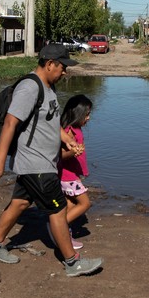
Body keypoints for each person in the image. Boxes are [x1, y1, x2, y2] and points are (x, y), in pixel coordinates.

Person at [0, 44, 104, 277]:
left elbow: (50, 120)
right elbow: (10, 123)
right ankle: (72, 262)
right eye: (62, 67)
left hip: (41, 163)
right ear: (49, 64)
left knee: (19, 203)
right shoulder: (30, 88)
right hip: (36, 163)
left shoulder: (49, 88)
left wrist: (66, 138)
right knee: (57, 209)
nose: (65, 72)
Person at [56, 94, 93, 249]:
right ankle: (58, 228)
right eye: (86, 114)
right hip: (67, 176)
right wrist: (73, 152)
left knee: (70, 204)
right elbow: (59, 155)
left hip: (69, 175)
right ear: (77, 114)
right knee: (85, 203)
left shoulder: (75, 129)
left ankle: (65, 233)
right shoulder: (69, 132)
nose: (88, 118)